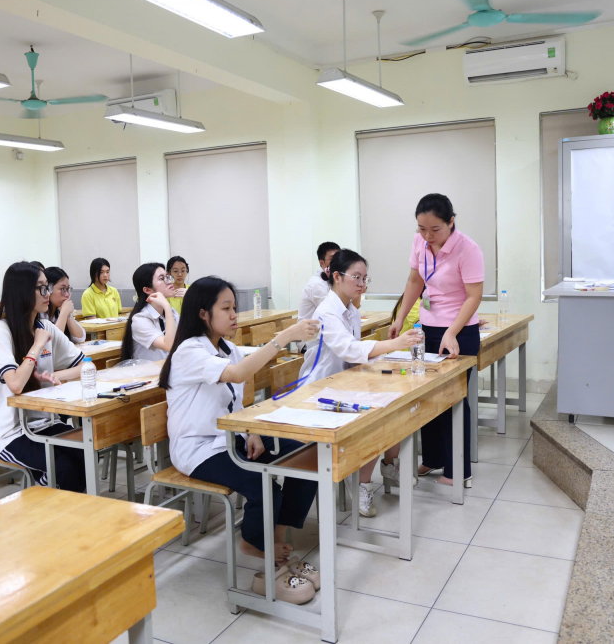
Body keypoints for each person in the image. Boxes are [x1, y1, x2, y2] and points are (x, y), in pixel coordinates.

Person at [161, 276, 321, 604]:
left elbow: (237, 402)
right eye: (227, 308)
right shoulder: (189, 351)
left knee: (308, 457)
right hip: (198, 449)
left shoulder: (227, 348)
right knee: (262, 484)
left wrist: (253, 430)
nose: (235, 315)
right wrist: (284, 337)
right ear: (203, 313)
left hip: (230, 438)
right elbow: (237, 374)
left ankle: (273, 540)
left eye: (235, 307)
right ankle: (255, 545)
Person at [300, 249, 423, 517]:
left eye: (365, 278)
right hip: (321, 388)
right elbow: (349, 349)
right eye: (356, 277)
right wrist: (395, 344)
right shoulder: (327, 312)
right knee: (374, 419)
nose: (362, 284)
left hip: (346, 381)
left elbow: (355, 353)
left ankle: (388, 465)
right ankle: (361, 482)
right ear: (336, 276)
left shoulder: (350, 310)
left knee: (395, 406)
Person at [391, 193, 484, 488]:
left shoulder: (468, 249)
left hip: (459, 332)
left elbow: (474, 296)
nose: (428, 236)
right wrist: (399, 318)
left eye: (435, 229)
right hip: (428, 329)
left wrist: (452, 331)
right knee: (426, 395)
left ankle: (459, 469)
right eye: (422, 229)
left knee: (453, 398)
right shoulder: (420, 242)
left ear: (451, 222)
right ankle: (432, 458)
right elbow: (415, 281)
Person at [0, 262, 89, 491]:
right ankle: (45, 500)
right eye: (41, 288)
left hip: (43, 422)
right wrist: (37, 345)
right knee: (63, 467)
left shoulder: (45, 325)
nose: (47, 293)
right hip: (8, 431)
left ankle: (68, 505)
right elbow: (16, 384)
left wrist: (51, 375)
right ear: (22, 292)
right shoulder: (2, 330)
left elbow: (86, 366)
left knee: (87, 452)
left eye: (47, 286)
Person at [121, 263, 178, 362]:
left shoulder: (172, 313)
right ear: (147, 290)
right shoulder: (140, 319)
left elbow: (190, 338)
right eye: (162, 279)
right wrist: (167, 306)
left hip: (169, 368)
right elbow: (169, 345)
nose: (169, 282)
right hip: (148, 371)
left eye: (168, 277)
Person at [297, 242, 340, 323]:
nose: (337, 262)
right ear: (322, 263)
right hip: (311, 330)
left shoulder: (334, 279)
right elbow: (333, 313)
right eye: (332, 259)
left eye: (338, 258)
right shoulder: (317, 284)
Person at [43, 266, 85, 342]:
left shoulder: (60, 310)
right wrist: (64, 313)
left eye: (67, 289)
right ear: (48, 289)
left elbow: (80, 338)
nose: (67, 294)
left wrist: (67, 315)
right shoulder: (40, 314)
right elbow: (53, 343)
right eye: (62, 289)